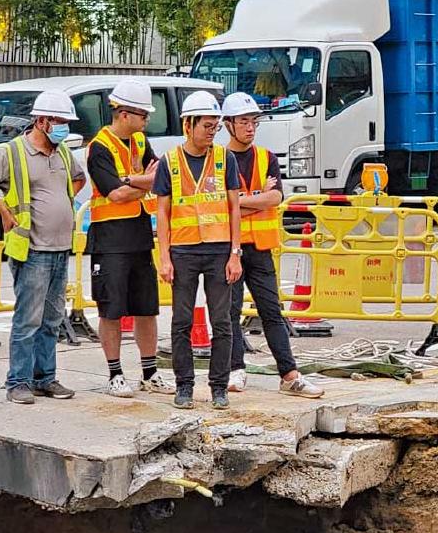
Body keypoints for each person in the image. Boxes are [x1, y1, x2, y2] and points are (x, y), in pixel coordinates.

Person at [0, 90, 85, 404]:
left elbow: (79, 178)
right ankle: (18, 382)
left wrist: (61, 202)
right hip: (32, 249)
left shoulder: (62, 153)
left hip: (60, 248)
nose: (64, 128)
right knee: (28, 320)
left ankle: (45, 378)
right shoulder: (13, 152)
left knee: (52, 319)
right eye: (59, 121)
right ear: (42, 121)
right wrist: (4, 211)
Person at [221, 92, 324, 399]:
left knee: (272, 311)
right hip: (230, 249)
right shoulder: (218, 161)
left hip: (261, 248)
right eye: (244, 121)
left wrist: (240, 201)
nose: (250, 127)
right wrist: (256, 198)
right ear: (229, 124)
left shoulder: (266, 158)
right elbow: (220, 206)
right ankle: (235, 369)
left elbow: (275, 197)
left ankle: (289, 375)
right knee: (229, 312)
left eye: (254, 121)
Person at [86, 79, 175, 398]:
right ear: (124, 114)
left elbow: (160, 176)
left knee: (146, 308)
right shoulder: (99, 147)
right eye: (143, 114)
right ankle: (115, 374)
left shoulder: (139, 141)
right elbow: (115, 194)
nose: (147, 120)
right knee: (110, 310)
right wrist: (143, 181)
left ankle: (150, 373)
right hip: (110, 238)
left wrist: (133, 180)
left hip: (139, 234)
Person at [155, 91, 242, 410]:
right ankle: (184, 386)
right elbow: (162, 212)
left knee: (222, 321)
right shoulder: (169, 162)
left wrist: (235, 253)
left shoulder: (224, 159)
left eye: (215, 126)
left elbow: (234, 207)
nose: (211, 131)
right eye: (206, 125)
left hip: (219, 250)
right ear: (188, 125)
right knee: (181, 321)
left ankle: (219, 387)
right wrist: (164, 257)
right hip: (183, 251)